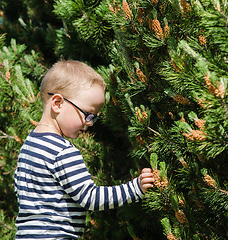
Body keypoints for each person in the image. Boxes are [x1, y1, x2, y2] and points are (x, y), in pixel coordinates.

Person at [14, 60, 154, 239]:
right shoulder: (62, 151)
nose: (89, 123)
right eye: (87, 114)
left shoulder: (30, 144)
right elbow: (90, 198)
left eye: (93, 117)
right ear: (57, 103)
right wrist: (135, 189)